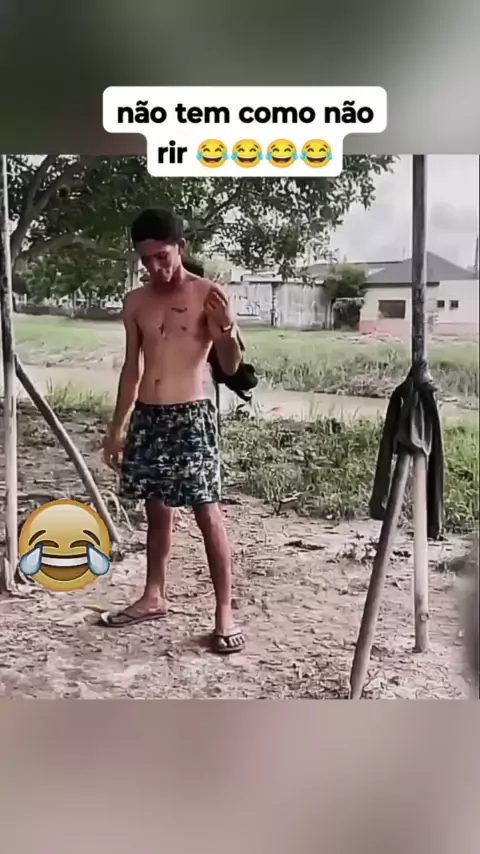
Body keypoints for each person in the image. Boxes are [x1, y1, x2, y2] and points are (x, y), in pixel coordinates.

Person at [101, 208, 245, 653]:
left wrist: (226, 328)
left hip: (191, 416)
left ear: (181, 248)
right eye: (146, 260)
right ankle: (154, 595)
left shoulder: (208, 294)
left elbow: (230, 365)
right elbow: (132, 368)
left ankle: (224, 611)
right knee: (156, 509)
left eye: (162, 257)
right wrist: (117, 427)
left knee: (207, 512)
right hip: (149, 416)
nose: (155, 268)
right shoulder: (135, 302)